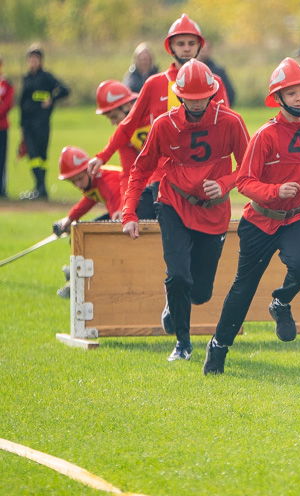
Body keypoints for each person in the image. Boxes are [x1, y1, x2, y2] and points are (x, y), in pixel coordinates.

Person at [203, 58, 300, 375]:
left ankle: (280, 302)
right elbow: (244, 182)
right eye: (290, 93)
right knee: (243, 288)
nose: (299, 98)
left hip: (299, 215)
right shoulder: (265, 135)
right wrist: (276, 192)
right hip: (260, 220)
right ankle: (218, 347)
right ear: (277, 98)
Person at [121, 58, 249, 362]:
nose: (195, 104)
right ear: (179, 95)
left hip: (214, 211)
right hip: (173, 202)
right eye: (189, 99)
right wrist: (129, 212)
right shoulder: (164, 124)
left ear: (212, 94)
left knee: (201, 292)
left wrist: (226, 183)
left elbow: (248, 168)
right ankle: (182, 343)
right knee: (178, 276)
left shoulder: (231, 121)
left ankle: (175, 302)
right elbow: (140, 170)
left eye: (201, 98)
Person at [87, 14, 231, 180]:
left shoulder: (214, 82)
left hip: (205, 176)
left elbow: (225, 128)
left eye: (191, 43)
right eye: (180, 44)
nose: (186, 48)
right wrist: (102, 156)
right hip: (163, 178)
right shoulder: (154, 84)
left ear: (200, 46)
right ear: (170, 47)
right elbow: (129, 123)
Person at [53, 146, 124, 298]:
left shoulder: (107, 182)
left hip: (130, 215)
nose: (78, 185)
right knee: (80, 231)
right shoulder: (94, 180)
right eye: (73, 182)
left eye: (79, 179)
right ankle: (77, 270)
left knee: (91, 237)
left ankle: (80, 280)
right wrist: (69, 219)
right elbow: (89, 199)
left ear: (88, 169)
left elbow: (116, 218)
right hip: (120, 214)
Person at [93, 80, 157, 219]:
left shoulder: (155, 114)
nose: (113, 123)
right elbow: (128, 173)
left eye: (114, 117)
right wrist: (124, 207)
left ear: (128, 106)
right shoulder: (123, 136)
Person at [18, 45, 70, 200]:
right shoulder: (27, 78)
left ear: (41, 61)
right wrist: (21, 125)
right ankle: (39, 187)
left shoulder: (46, 77)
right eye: (31, 59)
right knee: (33, 156)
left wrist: (52, 99)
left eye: (36, 59)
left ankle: (41, 188)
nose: (33, 61)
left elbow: (65, 90)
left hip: (42, 124)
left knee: (41, 156)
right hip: (28, 125)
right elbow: (22, 103)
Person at [198, 42, 236, 106]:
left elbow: (230, 93)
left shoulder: (218, 71)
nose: (202, 52)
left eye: (204, 50)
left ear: (210, 51)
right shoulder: (189, 70)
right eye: (200, 50)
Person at [0, 54, 13, 199]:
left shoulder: (6, 84)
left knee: (2, 158)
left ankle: (1, 188)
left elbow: (7, 105)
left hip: (2, 127)